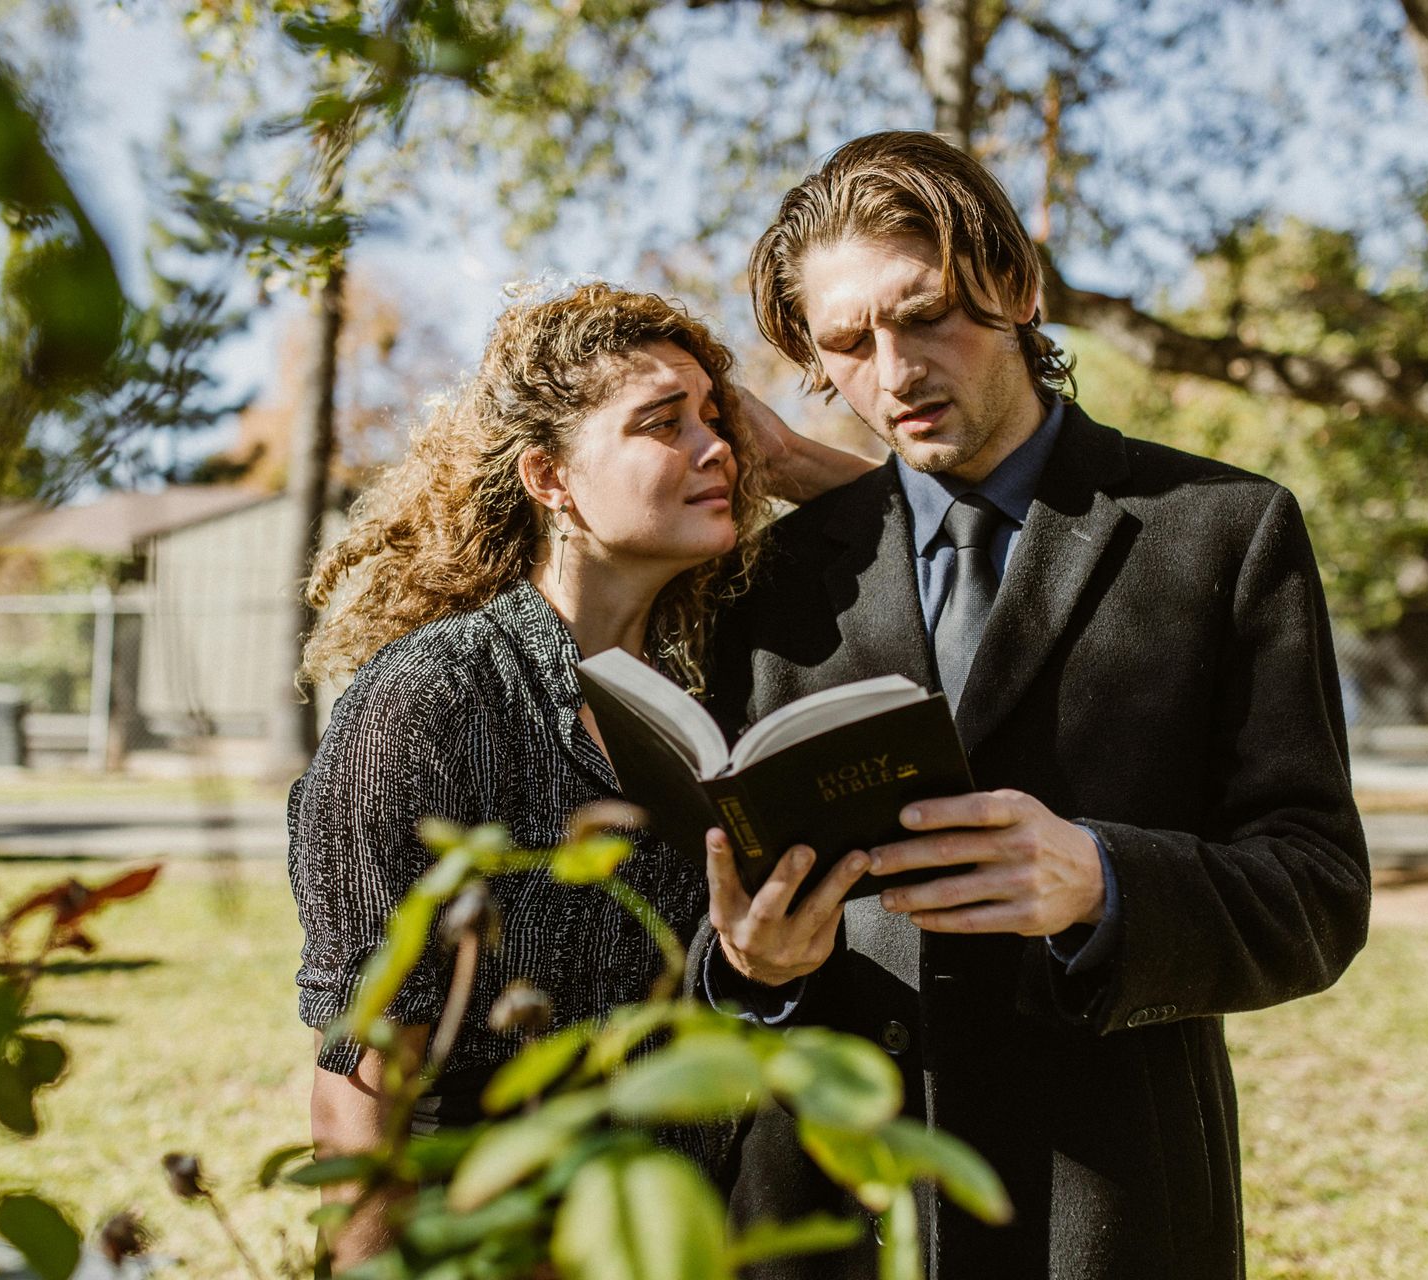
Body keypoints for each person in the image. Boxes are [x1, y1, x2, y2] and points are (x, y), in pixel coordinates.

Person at [691, 130, 1372, 1279]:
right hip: (832, 1216)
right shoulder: (769, 579)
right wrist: (752, 964)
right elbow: (708, 907)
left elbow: (1319, 889)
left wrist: (1103, 880)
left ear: (1017, 286)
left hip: (1108, 1210)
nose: (894, 373)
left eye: (925, 315)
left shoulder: (1225, 529)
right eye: (848, 343)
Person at [285, 282, 785, 1268]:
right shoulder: (429, 700)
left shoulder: (714, 697)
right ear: (550, 476)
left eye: (715, 418)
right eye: (663, 423)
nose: (716, 447)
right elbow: (362, 1081)